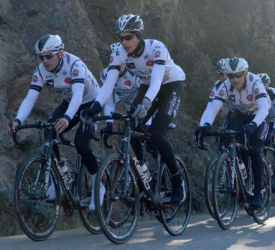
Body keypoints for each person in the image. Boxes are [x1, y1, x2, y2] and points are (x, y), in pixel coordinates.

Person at [82, 14, 186, 205]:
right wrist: (96, 106)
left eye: (128, 37)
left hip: (171, 85)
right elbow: (109, 85)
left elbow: (157, 80)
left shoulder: (156, 47)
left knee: (156, 134)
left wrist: (146, 103)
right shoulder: (119, 53)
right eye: (120, 38)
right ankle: (145, 177)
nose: (124, 42)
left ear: (138, 35)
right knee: (133, 125)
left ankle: (177, 181)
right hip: (148, 86)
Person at [10, 34, 105, 211]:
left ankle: (98, 186)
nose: (44, 60)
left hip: (91, 102)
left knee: (81, 144)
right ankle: (59, 176)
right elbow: (30, 98)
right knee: (49, 132)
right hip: (70, 102)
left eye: (48, 56)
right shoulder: (41, 70)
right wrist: (17, 120)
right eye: (41, 57)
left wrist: (68, 118)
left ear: (60, 53)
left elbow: (78, 94)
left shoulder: (75, 65)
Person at [197, 57, 270, 208]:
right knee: (228, 138)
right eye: (231, 76)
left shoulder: (255, 82)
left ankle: (258, 192)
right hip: (240, 115)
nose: (235, 79)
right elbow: (213, 107)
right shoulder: (225, 86)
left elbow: (264, 109)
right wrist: (205, 125)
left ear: (245, 73)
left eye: (238, 75)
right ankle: (240, 174)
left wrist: (253, 124)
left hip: (259, 116)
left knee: (255, 148)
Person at [194, 58, 231, 150]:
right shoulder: (218, 85)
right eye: (221, 74)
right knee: (223, 132)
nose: (224, 77)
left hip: (241, 112)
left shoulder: (237, 83)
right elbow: (209, 107)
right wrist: (202, 126)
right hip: (228, 114)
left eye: (226, 74)